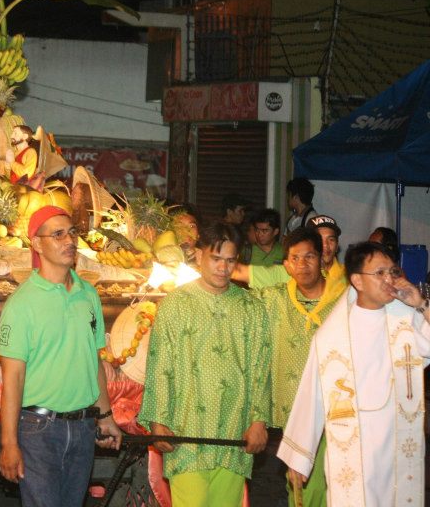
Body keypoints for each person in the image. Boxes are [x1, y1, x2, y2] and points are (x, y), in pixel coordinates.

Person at [278, 242, 430, 506]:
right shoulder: (333, 337)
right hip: (355, 445)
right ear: (357, 280)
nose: (389, 279)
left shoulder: (405, 319)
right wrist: (299, 457)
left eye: (392, 272)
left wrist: (421, 303)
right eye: (379, 273)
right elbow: (311, 395)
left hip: (396, 441)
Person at [0, 206, 122, 507]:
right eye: (58, 234)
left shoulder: (88, 295)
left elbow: (94, 361)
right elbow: (12, 377)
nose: (69, 241)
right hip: (39, 429)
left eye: (72, 233)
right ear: (37, 244)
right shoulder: (22, 303)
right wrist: (9, 443)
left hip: (82, 426)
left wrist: (105, 416)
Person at [138, 222, 270, 506]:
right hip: (186, 433)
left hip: (234, 435)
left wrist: (259, 421)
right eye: (216, 258)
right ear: (198, 256)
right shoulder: (175, 304)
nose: (223, 268)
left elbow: (261, 368)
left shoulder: (251, 308)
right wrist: (158, 423)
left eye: (230, 260)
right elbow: (161, 365)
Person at [251, 227, 347, 507]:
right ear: (286, 265)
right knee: (300, 489)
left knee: (337, 487)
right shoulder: (273, 300)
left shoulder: (346, 299)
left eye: (310, 257)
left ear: (322, 258)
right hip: (294, 415)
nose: (303, 265)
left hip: (337, 411)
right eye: (295, 258)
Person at [234, 214, 344, 292]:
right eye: (320, 239)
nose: (325, 245)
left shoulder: (349, 277)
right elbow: (239, 271)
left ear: (337, 244)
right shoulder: (292, 270)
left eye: (331, 240)